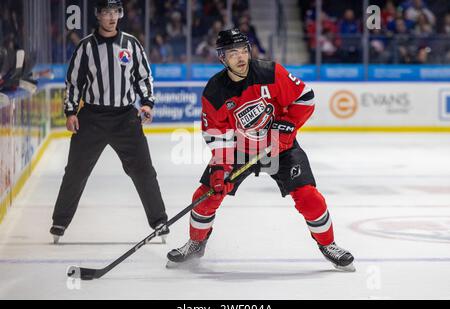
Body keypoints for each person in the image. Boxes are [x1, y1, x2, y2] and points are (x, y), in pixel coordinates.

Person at [167, 28, 355, 271]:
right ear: (222, 57)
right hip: (239, 150)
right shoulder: (215, 91)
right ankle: (196, 243)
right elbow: (216, 135)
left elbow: (305, 97)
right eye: (233, 53)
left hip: (280, 146)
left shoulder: (270, 72)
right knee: (205, 196)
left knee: (308, 196)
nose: (241, 57)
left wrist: (287, 126)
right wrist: (220, 171)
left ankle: (329, 244)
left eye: (244, 50)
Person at [50, 0, 169, 243]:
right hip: (91, 118)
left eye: (116, 12)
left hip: (126, 118)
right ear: (98, 15)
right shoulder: (85, 47)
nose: (112, 17)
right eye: (106, 12)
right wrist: (71, 112)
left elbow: (144, 76)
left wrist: (147, 103)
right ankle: (59, 222)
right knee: (75, 171)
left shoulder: (131, 44)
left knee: (144, 170)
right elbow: (74, 83)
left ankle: (159, 220)